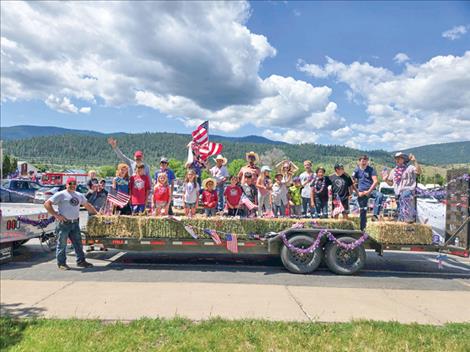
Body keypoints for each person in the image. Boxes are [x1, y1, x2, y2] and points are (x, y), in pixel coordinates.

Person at [44, 177, 97, 270]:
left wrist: (97, 214)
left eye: (74, 184)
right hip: (64, 223)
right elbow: (47, 204)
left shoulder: (79, 195)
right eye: (70, 184)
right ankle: (61, 263)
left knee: (78, 244)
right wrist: (56, 215)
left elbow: (87, 205)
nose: (72, 186)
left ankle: (81, 261)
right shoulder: (61, 194)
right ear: (66, 185)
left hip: (75, 223)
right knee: (62, 244)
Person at [383, 152, 421, 223]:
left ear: (403, 159)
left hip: (408, 191)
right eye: (396, 158)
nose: (397, 160)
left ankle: (401, 222)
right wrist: (386, 180)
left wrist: (414, 161)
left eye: (399, 158)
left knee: (404, 198)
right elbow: (391, 184)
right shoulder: (393, 171)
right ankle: (403, 222)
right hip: (398, 193)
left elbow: (419, 172)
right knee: (399, 208)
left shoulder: (410, 168)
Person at [351, 155, 384, 230]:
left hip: (371, 190)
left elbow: (375, 181)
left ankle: (375, 215)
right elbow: (352, 182)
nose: (364, 162)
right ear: (359, 161)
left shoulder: (371, 169)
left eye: (366, 160)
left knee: (380, 195)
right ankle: (363, 230)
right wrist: (357, 192)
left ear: (367, 161)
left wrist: (369, 191)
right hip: (361, 192)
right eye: (362, 160)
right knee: (363, 211)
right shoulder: (356, 170)